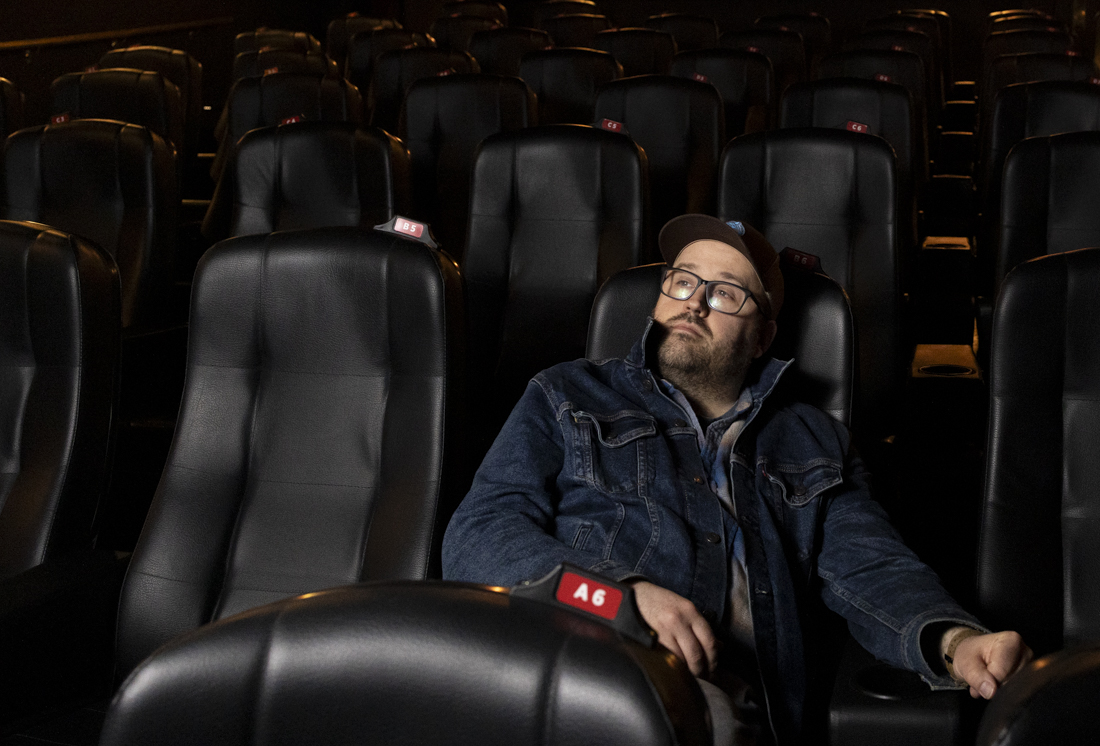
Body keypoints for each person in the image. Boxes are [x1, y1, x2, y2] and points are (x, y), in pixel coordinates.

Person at [441, 215, 1032, 745]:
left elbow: (870, 569)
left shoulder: (814, 441)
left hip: (718, 698)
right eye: (681, 281)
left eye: (725, 294)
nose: (693, 304)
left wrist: (955, 642)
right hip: (578, 665)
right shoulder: (565, 393)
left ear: (763, 337)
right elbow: (479, 534)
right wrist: (616, 596)